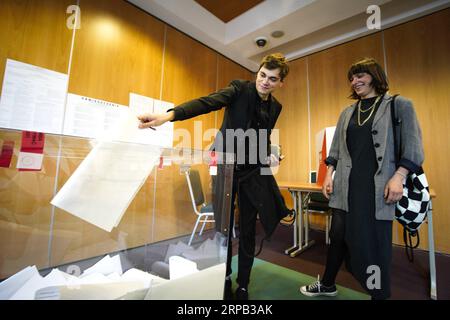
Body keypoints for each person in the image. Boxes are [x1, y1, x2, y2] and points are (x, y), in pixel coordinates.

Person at [137, 53, 291, 300]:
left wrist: (272, 154)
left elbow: (264, 138)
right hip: (225, 170)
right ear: (258, 72)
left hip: (251, 172)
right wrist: (169, 116)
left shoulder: (275, 107)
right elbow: (207, 102)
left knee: (249, 229)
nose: (265, 81)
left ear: (280, 83)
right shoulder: (239, 89)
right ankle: (224, 277)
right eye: (262, 75)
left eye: (272, 79)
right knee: (224, 228)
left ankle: (243, 284)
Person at [300, 57, 424, 300]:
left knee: (374, 244)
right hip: (346, 187)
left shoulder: (399, 105)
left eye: (360, 75)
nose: (355, 81)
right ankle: (327, 284)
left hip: (377, 189)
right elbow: (335, 150)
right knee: (337, 237)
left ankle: (378, 294)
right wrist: (328, 175)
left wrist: (399, 176)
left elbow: (414, 148)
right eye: (352, 78)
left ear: (375, 76)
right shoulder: (347, 112)